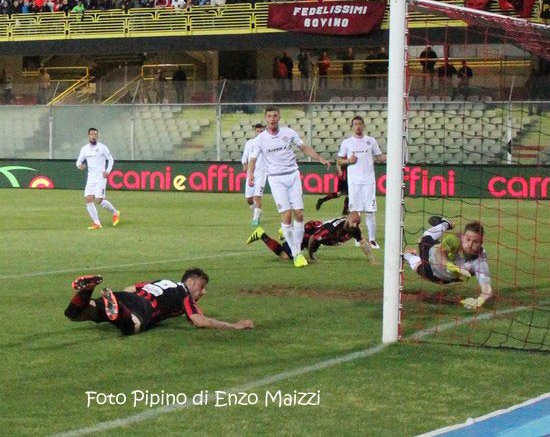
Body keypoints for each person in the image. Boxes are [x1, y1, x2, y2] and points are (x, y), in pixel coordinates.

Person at [247, 106, 331, 268]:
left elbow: (303, 147)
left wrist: (319, 158)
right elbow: (252, 159)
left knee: (299, 214)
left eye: (275, 116)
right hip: (276, 180)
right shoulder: (260, 140)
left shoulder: (288, 133)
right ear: (266, 119)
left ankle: (297, 249)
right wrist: (250, 173)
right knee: (286, 216)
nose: (272, 118)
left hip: (293, 176)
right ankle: (297, 254)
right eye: (269, 116)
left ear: (279, 117)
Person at [64, 268, 254, 335]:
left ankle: (89, 290)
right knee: (131, 327)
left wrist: (118, 296)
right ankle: (119, 310)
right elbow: (199, 321)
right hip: (143, 308)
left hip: (125, 296)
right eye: (202, 287)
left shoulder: (163, 281)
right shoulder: (184, 295)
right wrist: (234, 325)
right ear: (193, 281)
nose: (203, 292)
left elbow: (133, 288)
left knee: (74, 314)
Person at [402, 217, 492, 309]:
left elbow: (487, 290)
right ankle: (445, 224)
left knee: (420, 268)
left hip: (443, 277)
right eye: (468, 240)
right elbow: (438, 253)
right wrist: (453, 267)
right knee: (424, 238)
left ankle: (408, 254)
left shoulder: (480, 260)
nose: (470, 245)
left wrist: (479, 300)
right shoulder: (454, 240)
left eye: (475, 242)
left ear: (481, 243)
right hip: (431, 254)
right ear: (463, 237)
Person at [246, 211, 376, 263]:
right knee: (286, 256)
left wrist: (371, 259)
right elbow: (314, 238)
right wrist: (312, 256)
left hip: (317, 231)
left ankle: (285, 232)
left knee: (296, 252)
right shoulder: (332, 229)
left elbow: (363, 243)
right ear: (347, 219)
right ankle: (261, 234)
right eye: (353, 222)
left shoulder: (354, 229)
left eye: (356, 224)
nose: (354, 225)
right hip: (309, 232)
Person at [337, 115, 385, 249]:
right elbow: (339, 160)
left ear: (363, 126)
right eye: (355, 124)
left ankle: (373, 240)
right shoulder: (347, 143)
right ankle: (358, 238)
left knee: (370, 211)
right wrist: (348, 161)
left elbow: (379, 157)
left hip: (369, 181)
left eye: (360, 124)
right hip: (354, 182)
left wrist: (394, 154)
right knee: (355, 212)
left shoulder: (371, 141)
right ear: (352, 127)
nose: (358, 126)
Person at [76, 128, 120, 229]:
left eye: (95, 134)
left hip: (101, 177)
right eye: (91, 134)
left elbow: (111, 160)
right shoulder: (84, 149)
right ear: (88, 136)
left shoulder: (103, 148)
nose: (93, 136)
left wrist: (107, 171)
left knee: (98, 200)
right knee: (88, 199)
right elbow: (78, 161)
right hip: (91, 178)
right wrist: (80, 166)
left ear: (97, 136)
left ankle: (115, 212)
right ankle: (97, 223)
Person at [242, 123, 267, 225]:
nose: (260, 133)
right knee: (249, 199)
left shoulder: (267, 144)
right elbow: (245, 155)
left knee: (257, 196)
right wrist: (244, 163)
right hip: (251, 173)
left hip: (262, 173)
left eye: (261, 131)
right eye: (258, 131)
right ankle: (256, 210)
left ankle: (256, 218)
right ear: (255, 132)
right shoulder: (250, 143)